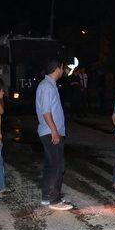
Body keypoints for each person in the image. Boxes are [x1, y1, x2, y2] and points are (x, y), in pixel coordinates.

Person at [36, 59, 73, 211]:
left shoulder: (49, 85)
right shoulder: (46, 87)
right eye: (63, 68)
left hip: (51, 132)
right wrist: (54, 131)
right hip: (51, 133)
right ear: (58, 69)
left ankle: (47, 197)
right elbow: (46, 112)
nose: (63, 71)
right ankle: (54, 200)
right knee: (58, 165)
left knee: (51, 165)